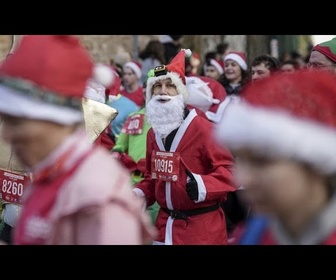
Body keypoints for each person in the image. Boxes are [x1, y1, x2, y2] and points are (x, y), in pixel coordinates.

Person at [0, 35, 156, 245]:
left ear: (55, 118)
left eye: (17, 122)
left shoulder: (98, 201)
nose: (6, 135)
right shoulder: (47, 175)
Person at [214, 69, 336, 245]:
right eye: (242, 160)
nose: (243, 179)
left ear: (317, 163)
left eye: (261, 161)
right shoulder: (252, 235)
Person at [133, 49, 237, 245]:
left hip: (201, 230)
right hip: (164, 229)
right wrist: (139, 194)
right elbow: (152, 177)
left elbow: (230, 171)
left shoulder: (205, 129)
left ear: (180, 92)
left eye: (170, 86)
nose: (162, 91)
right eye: (157, 87)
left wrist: (202, 185)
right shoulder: (152, 134)